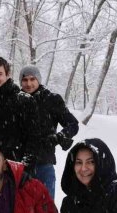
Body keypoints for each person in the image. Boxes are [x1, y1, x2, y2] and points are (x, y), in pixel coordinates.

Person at [19, 65, 78, 199]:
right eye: (25, 80)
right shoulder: (16, 100)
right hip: (20, 164)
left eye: (32, 79)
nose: (28, 83)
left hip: (43, 163)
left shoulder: (52, 99)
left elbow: (73, 124)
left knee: (46, 209)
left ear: (38, 79)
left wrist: (59, 137)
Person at [0, 57, 40, 167]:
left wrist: (24, 166)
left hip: (15, 166)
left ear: (7, 74)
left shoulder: (25, 101)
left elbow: (34, 138)